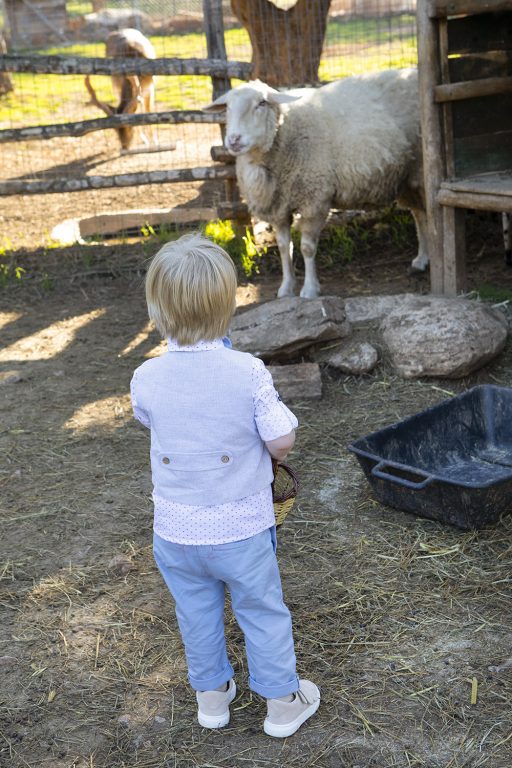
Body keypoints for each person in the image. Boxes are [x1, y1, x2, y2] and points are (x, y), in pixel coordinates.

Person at [130, 233, 320, 738]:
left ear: (157, 308)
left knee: (194, 610)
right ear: (226, 304)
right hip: (241, 527)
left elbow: (150, 421)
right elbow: (281, 440)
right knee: (260, 608)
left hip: (175, 529)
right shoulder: (247, 371)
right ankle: (282, 702)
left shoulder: (145, 377)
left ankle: (212, 697)